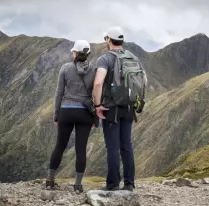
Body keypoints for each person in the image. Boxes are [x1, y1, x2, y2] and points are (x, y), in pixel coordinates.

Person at [92, 26, 147, 192]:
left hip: (112, 109)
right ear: (122, 41)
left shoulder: (105, 59)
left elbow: (98, 83)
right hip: (129, 108)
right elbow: (144, 80)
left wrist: (97, 105)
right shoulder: (133, 57)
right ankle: (129, 184)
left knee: (113, 147)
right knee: (127, 146)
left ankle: (113, 184)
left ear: (109, 40)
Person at [46, 40, 97, 193]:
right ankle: (77, 185)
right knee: (81, 149)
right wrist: (95, 117)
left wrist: (56, 115)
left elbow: (59, 93)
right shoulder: (94, 70)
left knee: (60, 146)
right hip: (85, 113)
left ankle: (49, 181)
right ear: (88, 54)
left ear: (75, 53)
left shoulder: (66, 68)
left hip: (66, 111)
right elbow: (96, 93)